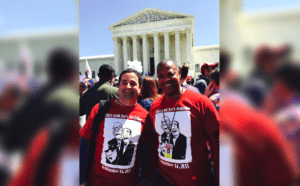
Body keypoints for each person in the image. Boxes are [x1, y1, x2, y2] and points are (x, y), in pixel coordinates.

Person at [149, 60, 219, 186]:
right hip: (164, 180)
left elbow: (216, 143)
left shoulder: (202, 103)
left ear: (179, 73)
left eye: (170, 74)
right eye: (161, 76)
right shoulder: (155, 107)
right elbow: (155, 142)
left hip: (198, 180)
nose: (166, 80)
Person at [80, 68, 152, 186]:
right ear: (119, 86)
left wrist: (144, 179)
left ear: (140, 88)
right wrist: (81, 179)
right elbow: (84, 144)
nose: (128, 86)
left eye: (133, 83)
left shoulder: (145, 116)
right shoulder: (100, 109)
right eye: (124, 82)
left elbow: (146, 153)